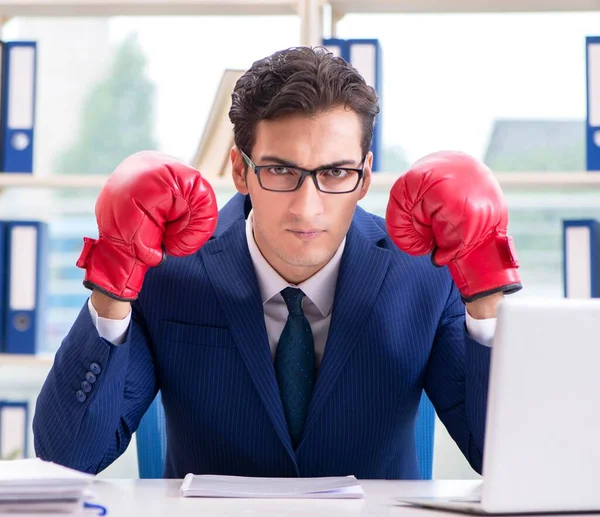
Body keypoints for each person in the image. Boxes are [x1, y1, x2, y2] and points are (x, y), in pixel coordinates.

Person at [33, 46, 521, 479]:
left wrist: (486, 294)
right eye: (281, 170)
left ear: (366, 176)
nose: (307, 207)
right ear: (241, 171)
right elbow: (69, 456)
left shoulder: (423, 275)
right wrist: (114, 277)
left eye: (335, 172)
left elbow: (504, 459)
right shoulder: (169, 268)